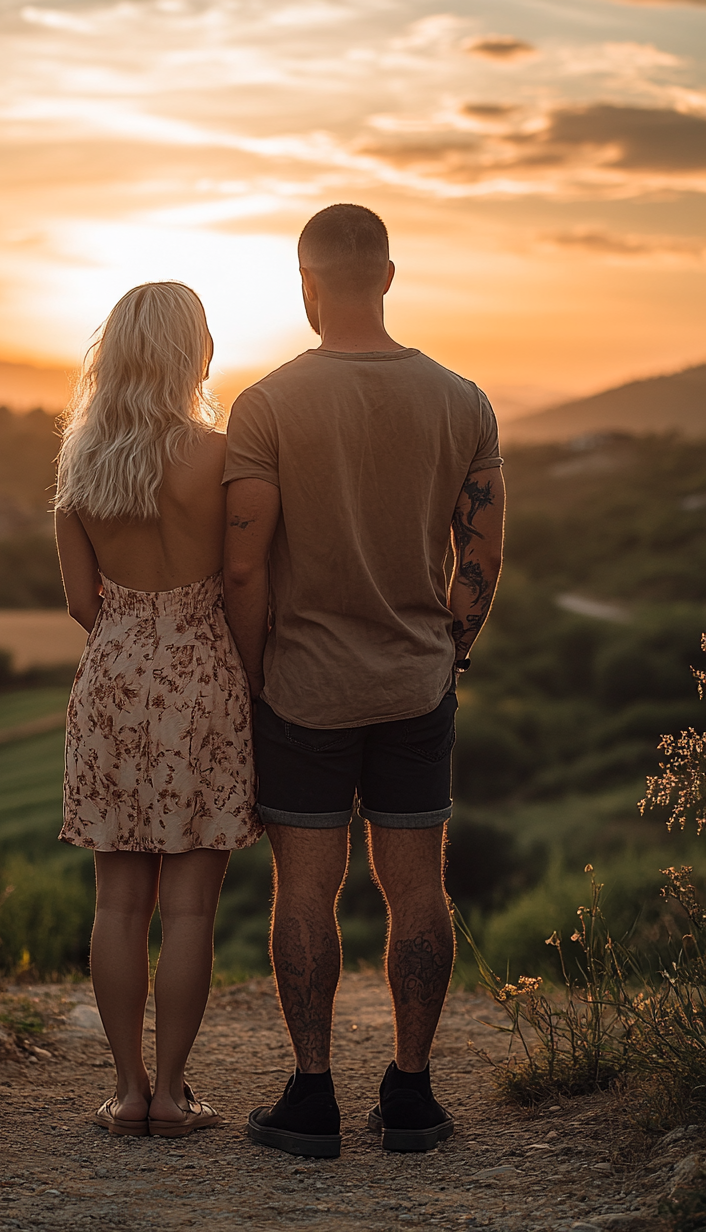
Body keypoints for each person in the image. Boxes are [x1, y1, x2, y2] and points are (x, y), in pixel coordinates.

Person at [222, 204, 505, 1158]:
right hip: (417, 683)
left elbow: (246, 569)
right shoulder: (464, 401)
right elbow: (483, 550)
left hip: (302, 688)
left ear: (305, 287)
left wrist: (255, 677)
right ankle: (414, 1098)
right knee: (417, 891)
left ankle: (312, 1100)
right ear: (388, 277)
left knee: (304, 894)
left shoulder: (264, 407)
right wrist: (449, 652)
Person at [55, 281, 263, 1139]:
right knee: (189, 909)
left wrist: (130, 634)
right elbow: (247, 576)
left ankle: (126, 1090)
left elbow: (78, 601)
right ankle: (175, 1097)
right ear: (191, 353)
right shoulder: (220, 457)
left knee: (116, 905)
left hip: (111, 675)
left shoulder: (79, 463)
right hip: (204, 675)